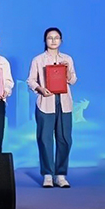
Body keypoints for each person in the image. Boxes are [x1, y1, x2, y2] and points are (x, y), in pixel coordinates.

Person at [27, 27, 78, 188]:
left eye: (57, 38)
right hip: (45, 102)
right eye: (50, 37)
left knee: (65, 139)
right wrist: (40, 89)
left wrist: (67, 70)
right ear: (45, 40)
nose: (53, 40)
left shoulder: (67, 59)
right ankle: (48, 175)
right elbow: (31, 80)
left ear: (61, 40)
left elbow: (73, 80)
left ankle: (60, 175)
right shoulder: (38, 60)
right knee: (45, 139)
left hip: (64, 103)